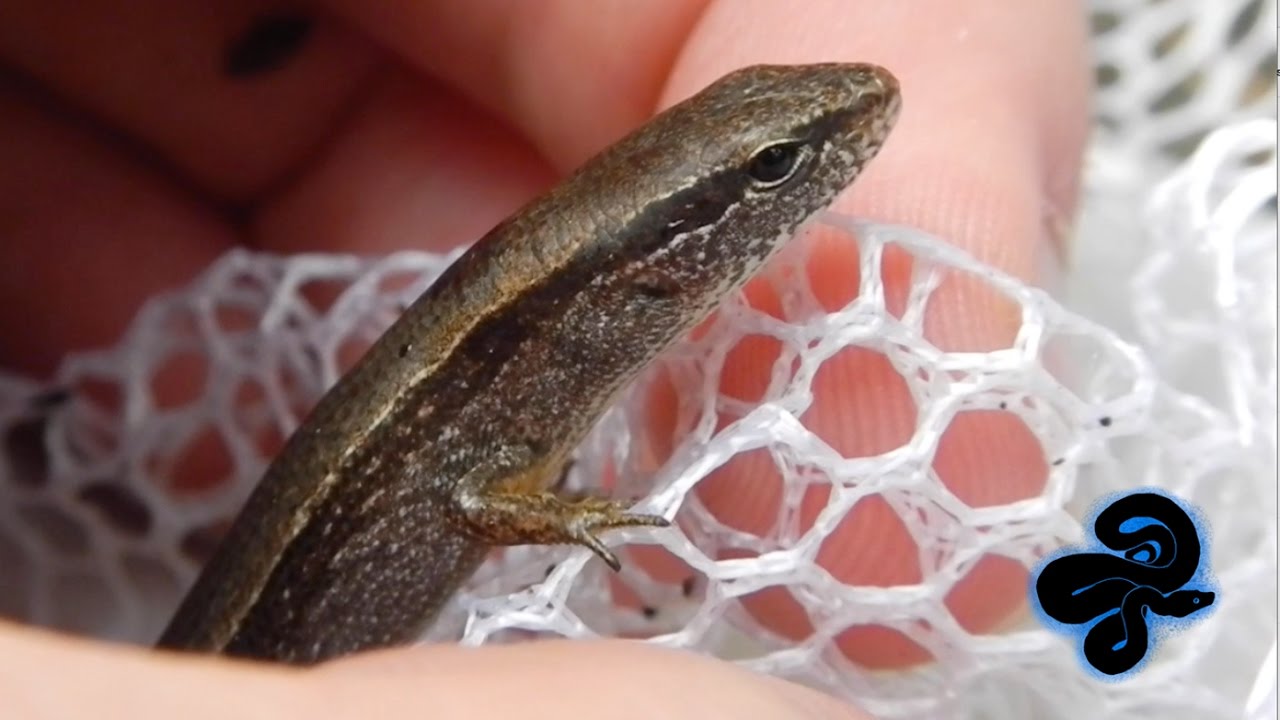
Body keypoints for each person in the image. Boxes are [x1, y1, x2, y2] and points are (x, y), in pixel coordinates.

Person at [0, 2, 1091, 718]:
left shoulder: (572, 327)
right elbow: (468, 491)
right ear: (657, 253)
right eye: (772, 169)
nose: (839, 143)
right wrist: (563, 519)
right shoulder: (547, 340)